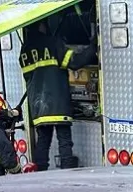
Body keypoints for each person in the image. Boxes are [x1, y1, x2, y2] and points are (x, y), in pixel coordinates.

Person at [19, 19, 96, 171]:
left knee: (43, 142)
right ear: (41, 25)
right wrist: (92, 46)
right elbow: (74, 62)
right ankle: (67, 174)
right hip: (58, 103)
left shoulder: (24, 50)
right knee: (65, 141)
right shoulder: (52, 43)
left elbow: (29, 78)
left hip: (39, 106)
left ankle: (39, 174)